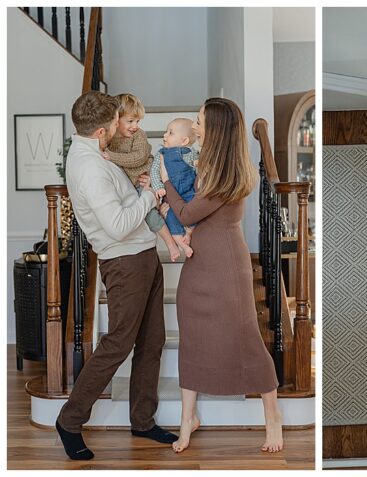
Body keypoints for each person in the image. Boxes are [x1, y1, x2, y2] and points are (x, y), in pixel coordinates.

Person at [56, 91, 178, 460]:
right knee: (118, 343)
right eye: (113, 124)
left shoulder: (97, 154)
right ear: (100, 132)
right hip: (124, 262)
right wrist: (150, 198)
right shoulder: (89, 167)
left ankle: (142, 420)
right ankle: (70, 420)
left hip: (143, 256)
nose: (118, 128)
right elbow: (120, 224)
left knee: (152, 339)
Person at [159, 97, 283, 453]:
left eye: (199, 121)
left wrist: (165, 184)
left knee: (247, 341)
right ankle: (187, 420)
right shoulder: (203, 164)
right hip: (198, 268)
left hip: (226, 270)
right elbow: (189, 214)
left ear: (214, 128)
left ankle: (271, 417)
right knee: (192, 341)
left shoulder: (226, 173)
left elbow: (185, 214)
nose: (194, 127)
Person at [104, 93, 182, 261]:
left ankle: (171, 242)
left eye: (137, 121)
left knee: (151, 214)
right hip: (132, 183)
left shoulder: (139, 135)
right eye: (130, 121)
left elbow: (138, 157)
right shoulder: (110, 139)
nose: (135, 126)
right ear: (116, 120)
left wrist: (112, 156)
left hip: (147, 176)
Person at [152, 118, 200, 258]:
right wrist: (158, 187)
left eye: (170, 133)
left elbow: (197, 169)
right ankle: (182, 245)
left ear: (184, 141)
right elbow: (154, 172)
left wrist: (198, 163)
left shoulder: (190, 153)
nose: (165, 135)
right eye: (166, 132)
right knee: (171, 220)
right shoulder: (161, 154)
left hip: (188, 193)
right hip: (170, 197)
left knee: (195, 211)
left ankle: (189, 233)